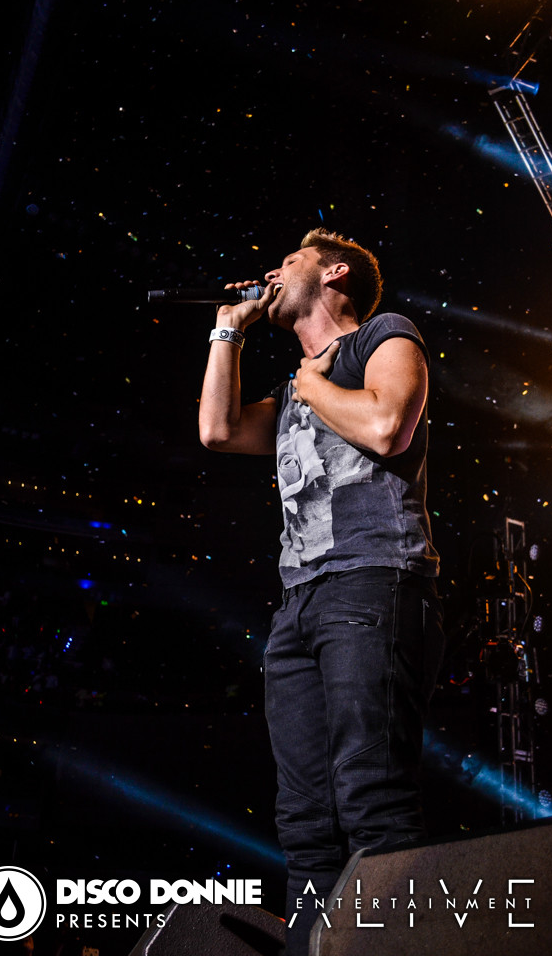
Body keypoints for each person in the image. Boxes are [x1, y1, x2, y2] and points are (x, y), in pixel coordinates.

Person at [199, 228, 444, 955]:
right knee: (304, 818)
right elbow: (217, 431)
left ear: (334, 273)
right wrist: (227, 329)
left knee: (372, 798)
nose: (273, 272)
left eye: (291, 261)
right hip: (299, 602)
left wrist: (313, 382)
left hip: (373, 581)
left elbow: (387, 426)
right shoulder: (290, 393)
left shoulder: (383, 336)